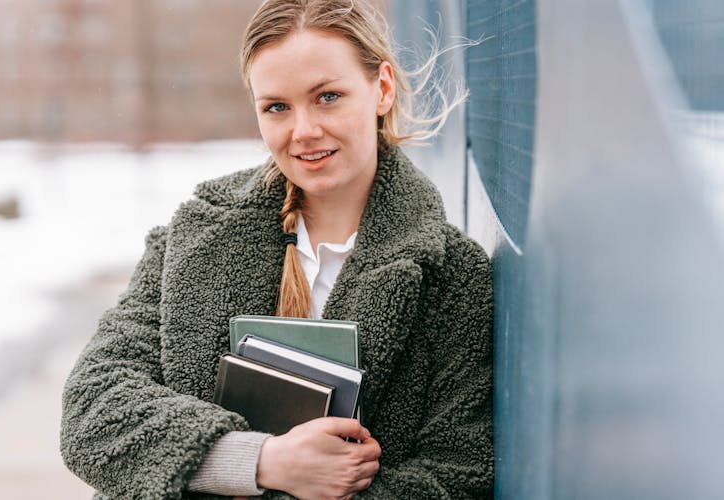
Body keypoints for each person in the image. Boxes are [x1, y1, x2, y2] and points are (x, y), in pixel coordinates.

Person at [60, 0, 493, 498]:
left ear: (383, 89)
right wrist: (261, 460)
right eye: (277, 107)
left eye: (327, 97)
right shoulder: (193, 235)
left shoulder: (454, 275)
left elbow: (458, 473)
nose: (304, 131)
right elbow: (94, 407)